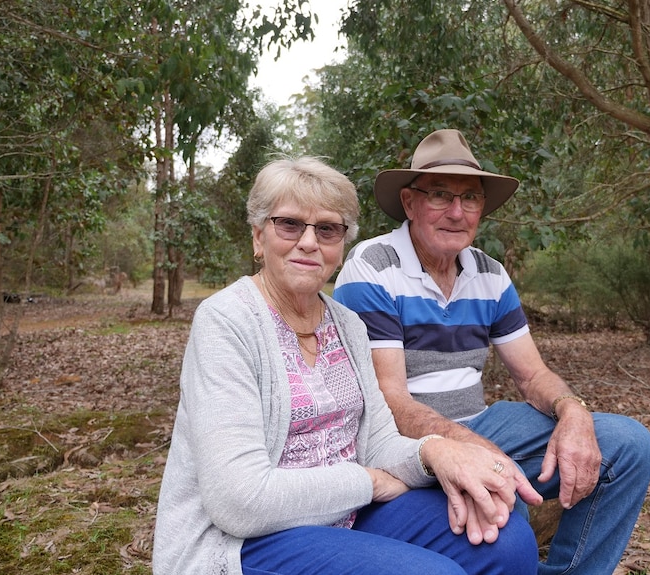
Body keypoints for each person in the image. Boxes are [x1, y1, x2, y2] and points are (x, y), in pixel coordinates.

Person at [152, 156, 541, 575]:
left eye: (327, 229)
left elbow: (377, 442)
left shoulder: (347, 324)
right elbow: (239, 502)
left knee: (511, 544)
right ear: (258, 237)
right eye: (289, 224)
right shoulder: (227, 321)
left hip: (348, 514)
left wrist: (434, 452)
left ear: (341, 244)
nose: (308, 241)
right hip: (247, 539)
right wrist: (369, 481)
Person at [333, 130, 650, 575]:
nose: (457, 212)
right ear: (409, 203)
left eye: (470, 198)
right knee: (506, 517)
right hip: (408, 443)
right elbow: (390, 401)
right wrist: (478, 452)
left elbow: (532, 375)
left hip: (483, 424)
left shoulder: (489, 272)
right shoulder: (373, 268)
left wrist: (574, 413)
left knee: (628, 445)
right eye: (440, 195)